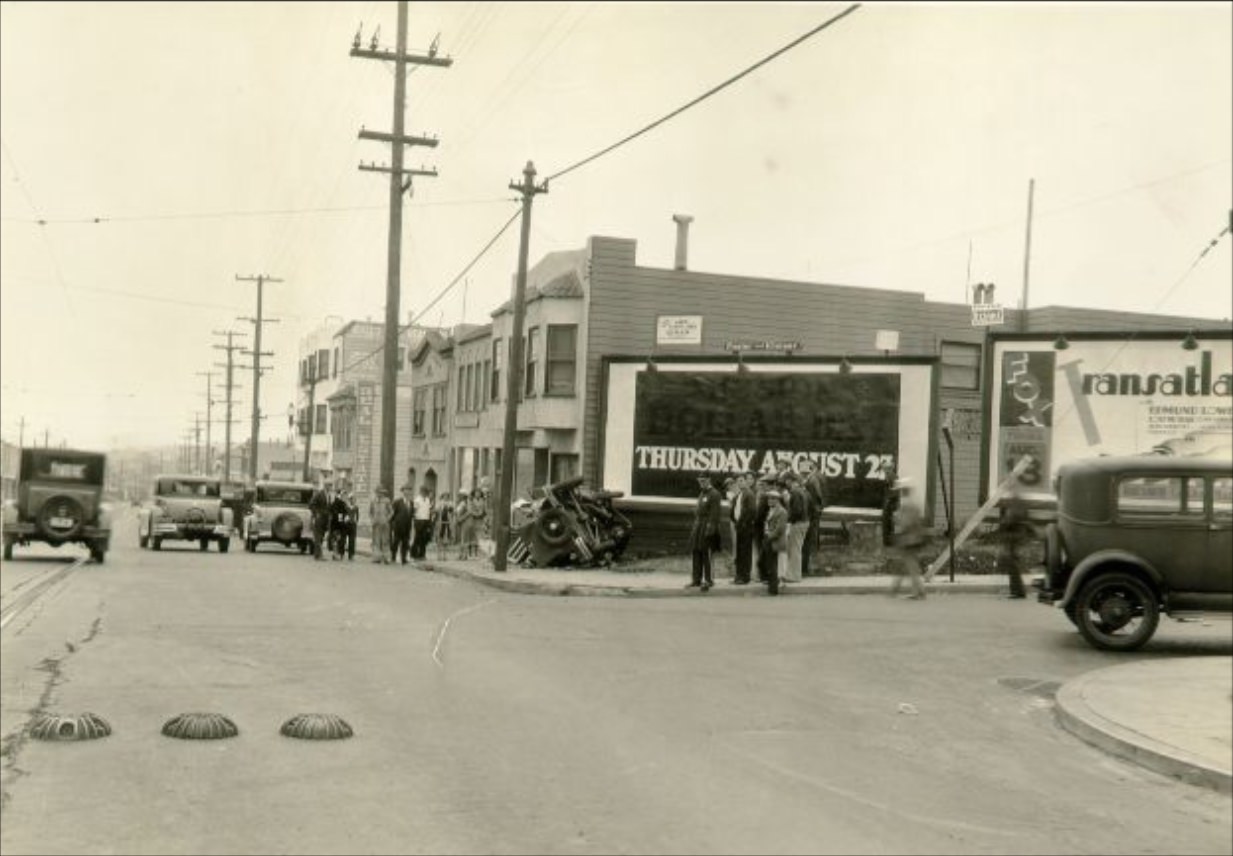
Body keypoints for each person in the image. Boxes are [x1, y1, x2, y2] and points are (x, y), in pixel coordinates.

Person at [887, 477, 927, 600]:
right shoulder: (913, 502)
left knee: (909, 565)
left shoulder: (907, 504)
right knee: (908, 565)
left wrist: (896, 518)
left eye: (900, 490)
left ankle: (917, 592)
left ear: (904, 490)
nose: (899, 492)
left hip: (909, 539)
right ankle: (916, 591)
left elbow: (906, 523)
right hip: (913, 538)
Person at [686, 472, 722, 591]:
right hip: (699, 525)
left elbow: (715, 514)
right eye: (700, 480)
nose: (701, 483)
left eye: (704, 480)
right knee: (696, 551)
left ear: (709, 480)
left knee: (706, 553)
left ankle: (708, 580)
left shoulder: (715, 494)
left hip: (707, 526)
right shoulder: (702, 493)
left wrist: (710, 530)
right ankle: (696, 580)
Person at [999, 483, 1031, 599]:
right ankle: (1017, 590)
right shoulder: (1017, 501)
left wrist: (1004, 523)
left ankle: (1018, 591)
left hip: (1015, 535)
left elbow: (1011, 518)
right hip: (1017, 535)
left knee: (1013, 564)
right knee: (1012, 562)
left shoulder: (1016, 502)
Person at [801, 458, 829, 576]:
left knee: (810, 537)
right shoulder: (817, 477)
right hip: (816, 510)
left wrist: (817, 506)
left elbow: (818, 494)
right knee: (813, 536)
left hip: (813, 511)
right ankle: (811, 563)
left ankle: (809, 565)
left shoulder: (812, 479)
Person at [731, 473, 758, 585]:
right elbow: (735, 509)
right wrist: (734, 520)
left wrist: (743, 523)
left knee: (745, 552)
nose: (740, 483)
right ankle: (739, 576)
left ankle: (745, 577)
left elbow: (751, 511)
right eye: (738, 481)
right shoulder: (739, 495)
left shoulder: (749, 494)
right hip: (739, 526)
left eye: (742, 480)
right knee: (740, 552)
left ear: (746, 481)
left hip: (746, 527)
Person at [782, 470, 808, 585]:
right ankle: (795, 574)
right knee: (797, 549)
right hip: (804, 522)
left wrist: (789, 520)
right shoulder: (802, 491)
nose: (785, 483)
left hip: (798, 523)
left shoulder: (795, 492)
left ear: (790, 480)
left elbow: (796, 511)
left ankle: (794, 576)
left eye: (786, 480)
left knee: (794, 549)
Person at [762, 488, 789, 596]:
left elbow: (780, 529)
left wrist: (769, 537)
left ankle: (773, 588)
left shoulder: (782, 511)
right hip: (769, 539)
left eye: (772, 498)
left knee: (773, 565)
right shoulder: (771, 510)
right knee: (769, 563)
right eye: (769, 498)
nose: (770, 500)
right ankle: (771, 585)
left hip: (775, 540)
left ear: (778, 500)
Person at [368, 486, 393, 564]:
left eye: (381, 492)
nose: (379, 494)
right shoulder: (373, 501)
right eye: (378, 492)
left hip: (384, 523)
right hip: (376, 524)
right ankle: (376, 557)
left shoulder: (386, 501)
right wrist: (372, 519)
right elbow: (370, 512)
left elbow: (391, 512)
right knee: (376, 541)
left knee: (385, 541)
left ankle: (386, 557)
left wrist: (387, 519)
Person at [308, 481, 332, 561]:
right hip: (319, 518)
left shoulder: (329, 495)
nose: (330, 487)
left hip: (325, 519)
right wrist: (316, 513)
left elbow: (328, 507)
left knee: (321, 537)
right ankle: (320, 555)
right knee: (318, 536)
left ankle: (317, 555)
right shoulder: (319, 494)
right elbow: (311, 504)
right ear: (325, 486)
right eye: (329, 485)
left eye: (331, 485)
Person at [390, 485, 414, 565]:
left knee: (405, 542)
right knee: (396, 542)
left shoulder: (411, 503)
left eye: (409, 491)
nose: (407, 492)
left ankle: (403, 558)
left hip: (407, 526)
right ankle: (393, 557)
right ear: (403, 492)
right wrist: (392, 524)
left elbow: (411, 514)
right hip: (398, 526)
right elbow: (393, 514)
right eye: (406, 490)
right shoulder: (397, 502)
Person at [410, 485, 434, 560]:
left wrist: (429, 521)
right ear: (421, 492)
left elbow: (429, 510)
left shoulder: (427, 500)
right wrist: (415, 519)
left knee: (424, 538)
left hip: (426, 520)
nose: (425, 493)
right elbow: (414, 510)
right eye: (423, 492)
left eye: (426, 492)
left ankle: (422, 554)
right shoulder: (417, 500)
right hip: (419, 520)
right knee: (418, 537)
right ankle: (414, 553)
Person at [329, 488, 352, 560]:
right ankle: (335, 554)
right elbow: (336, 513)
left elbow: (346, 512)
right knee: (336, 539)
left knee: (341, 540)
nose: (344, 496)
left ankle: (339, 553)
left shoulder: (343, 503)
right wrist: (342, 519)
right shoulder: (337, 502)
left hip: (342, 525)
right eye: (343, 495)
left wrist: (346, 517)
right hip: (337, 524)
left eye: (345, 495)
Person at [456, 489, 477, 560]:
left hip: (466, 522)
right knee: (462, 539)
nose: (459, 497)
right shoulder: (462, 503)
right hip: (463, 523)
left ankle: (464, 555)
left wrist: (460, 519)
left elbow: (469, 513)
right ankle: (461, 554)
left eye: (460, 495)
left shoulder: (466, 503)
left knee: (464, 539)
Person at [433, 491, 454, 557]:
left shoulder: (450, 504)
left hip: (447, 522)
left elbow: (452, 512)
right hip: (440, 522)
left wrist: (450, 511)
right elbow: (436, 512)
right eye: (444, 496)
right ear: (442, 497)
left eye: (447, 496)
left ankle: (445, 554)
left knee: (446, 539)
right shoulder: (439, 503)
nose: (446, 497)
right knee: (440, 538)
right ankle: (439, 554)